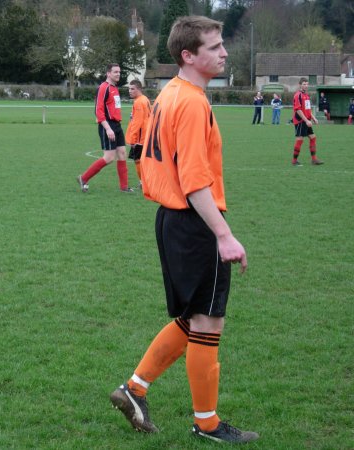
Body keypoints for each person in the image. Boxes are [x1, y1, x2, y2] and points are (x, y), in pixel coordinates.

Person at [109, 16, 259, 444]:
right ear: (188, 55)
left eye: (222, 44)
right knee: (208, 323)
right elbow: (194, 181)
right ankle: (207, 423)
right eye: (214, 47)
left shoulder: (169, 93)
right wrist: (223, 234)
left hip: (171, 221)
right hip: (194, 221)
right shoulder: (191, 101)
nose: (224, 53)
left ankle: (134, 389)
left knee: (192, 318)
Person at [77, 63, 134, 193]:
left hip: (117, 125)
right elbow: (98, 110)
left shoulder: (115, 88)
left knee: (122, 153)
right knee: (109, 157)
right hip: (107, 125)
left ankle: (124, 188)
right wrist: (108, 128)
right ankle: (83, 178)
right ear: (108, 73)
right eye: (115, 72)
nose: (118, 74)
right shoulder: (104, 87)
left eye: (119, 72)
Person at [291, 78, 323, 166]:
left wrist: (313, 118)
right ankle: (294, 161)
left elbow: (308, 109)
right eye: (304, 84)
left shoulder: (306, 96)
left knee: (313, 137)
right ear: (300, 85)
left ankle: (314, 160)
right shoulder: (298, 95)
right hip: (300, 121)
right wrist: (306, 120)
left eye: (307, 84)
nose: (306, 86)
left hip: (307, 121)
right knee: (300, 139)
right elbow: (298, 110)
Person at [126, 79, 151, 189]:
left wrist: (133, 139)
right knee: (143, 161)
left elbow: (138, 122)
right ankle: (145, 182)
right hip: (145, 135)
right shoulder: (144, 99)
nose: (130, 91)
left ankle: (143, 183)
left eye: (132, 89)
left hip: (140, 138)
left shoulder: (139, 102)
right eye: (129, 89)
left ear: (139, 89)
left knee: (137, 160)